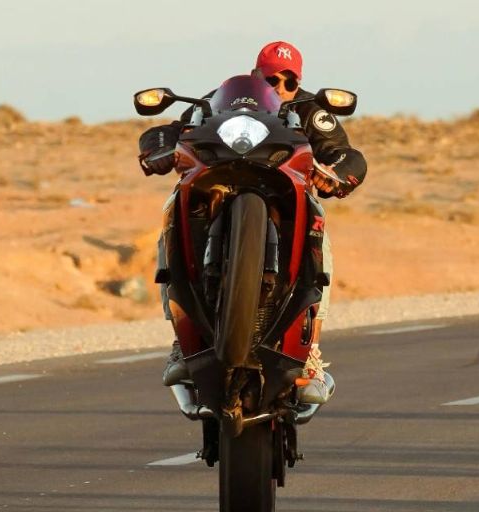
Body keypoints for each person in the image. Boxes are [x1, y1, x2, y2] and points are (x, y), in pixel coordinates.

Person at [138, 40, 367, 404]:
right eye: (272, 77)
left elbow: (344, 153)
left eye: (289, 80)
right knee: (172, 212)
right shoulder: (220, 103)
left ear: (299, 82)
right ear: (256, 74)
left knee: (318, 228)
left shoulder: (308, 109)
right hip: (223, 185)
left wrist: (335, 173)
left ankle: (311, 354)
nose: (280, 86)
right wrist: (160, 148)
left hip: (283, 199)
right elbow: (176, 130)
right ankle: (183, 341)